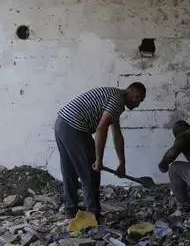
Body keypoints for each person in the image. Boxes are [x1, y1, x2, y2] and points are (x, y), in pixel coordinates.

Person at [54, 83, 146, 220]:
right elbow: (101, 129)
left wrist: (122, 163)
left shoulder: (115, 98)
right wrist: (98, 159)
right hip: (74, 126)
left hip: (62, 123)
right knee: (91, 172)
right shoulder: (117, 100)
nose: (139, 105)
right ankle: (93, 214)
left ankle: (71, 209)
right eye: (140, 100)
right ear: (136, 96)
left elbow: (117, 135)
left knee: (69, 170)